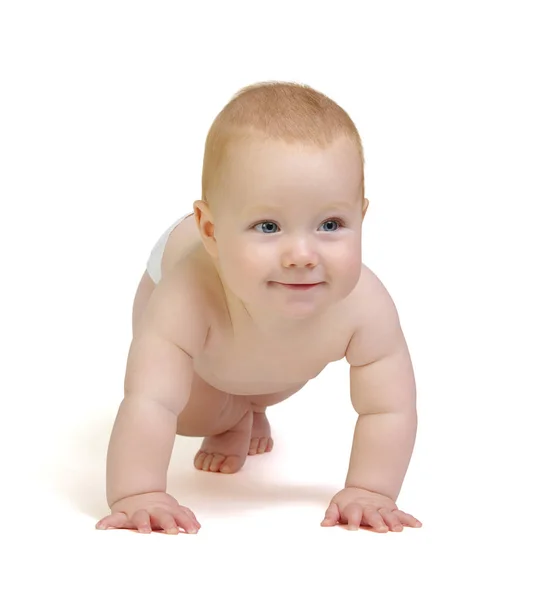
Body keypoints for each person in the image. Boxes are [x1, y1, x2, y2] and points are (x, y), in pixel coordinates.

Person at [95, 81, 422, 535]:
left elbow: (389, 407)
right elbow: (150, 401)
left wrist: (372, 490)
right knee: (191, 407)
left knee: (272, 364)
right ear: (210, 229)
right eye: (268, 226)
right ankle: (229, 419)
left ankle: (248, 410)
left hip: (268, 338)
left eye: (331, 224)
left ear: (361, 217)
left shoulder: (364, 305)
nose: (302, 254)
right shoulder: (187, 295)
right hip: (183, 277)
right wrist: (138, 493)